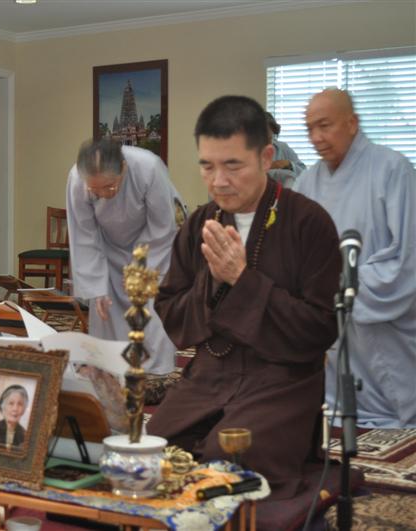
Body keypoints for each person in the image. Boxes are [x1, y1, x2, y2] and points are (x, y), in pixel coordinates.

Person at [148, 95, 342, 500]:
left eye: (233, 165)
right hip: (210, 375)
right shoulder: (200, 224)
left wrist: (242, 279)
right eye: (207, 166)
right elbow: (170, 310)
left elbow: (322, 328)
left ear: (266, 157)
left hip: (282, 381)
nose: (218, 180)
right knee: (152, 454)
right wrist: (213, 283)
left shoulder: (310, 223)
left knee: (227, 462)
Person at [295, 88, 416, 428]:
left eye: (324, 126)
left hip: (382, 324)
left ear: (352, 123)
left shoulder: (393, 169)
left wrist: (339, 289)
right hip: (329, 322)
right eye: (310, 128)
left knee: (394, 415)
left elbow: (406, 258)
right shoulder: (306, 182)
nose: (316, 138)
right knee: (337, 407)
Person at [66, 138, 180, 374]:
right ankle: (112, 367)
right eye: (95, 191)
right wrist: (96, 287)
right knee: (105, 307)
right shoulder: (77, 178)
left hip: (152, 245)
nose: (102, 194)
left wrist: (141, 269)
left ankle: (155, 372)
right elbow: (84, 235)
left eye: (109, 187)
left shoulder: (149, 167)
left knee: (151, 305)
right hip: (107, 246)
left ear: (123, 168)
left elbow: (162, 227)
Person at [265, 112, 306, 188]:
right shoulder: (248, 152)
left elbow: (304, 172)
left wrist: (290, 165)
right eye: (264, 138)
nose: (269, 143)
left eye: (270, 137)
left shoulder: (282, 147)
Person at [0, 385, 28, 451]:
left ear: (24, 409)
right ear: (3, 406)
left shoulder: (26, 437)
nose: (15, 409)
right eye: (11, 403)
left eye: (20, 404)